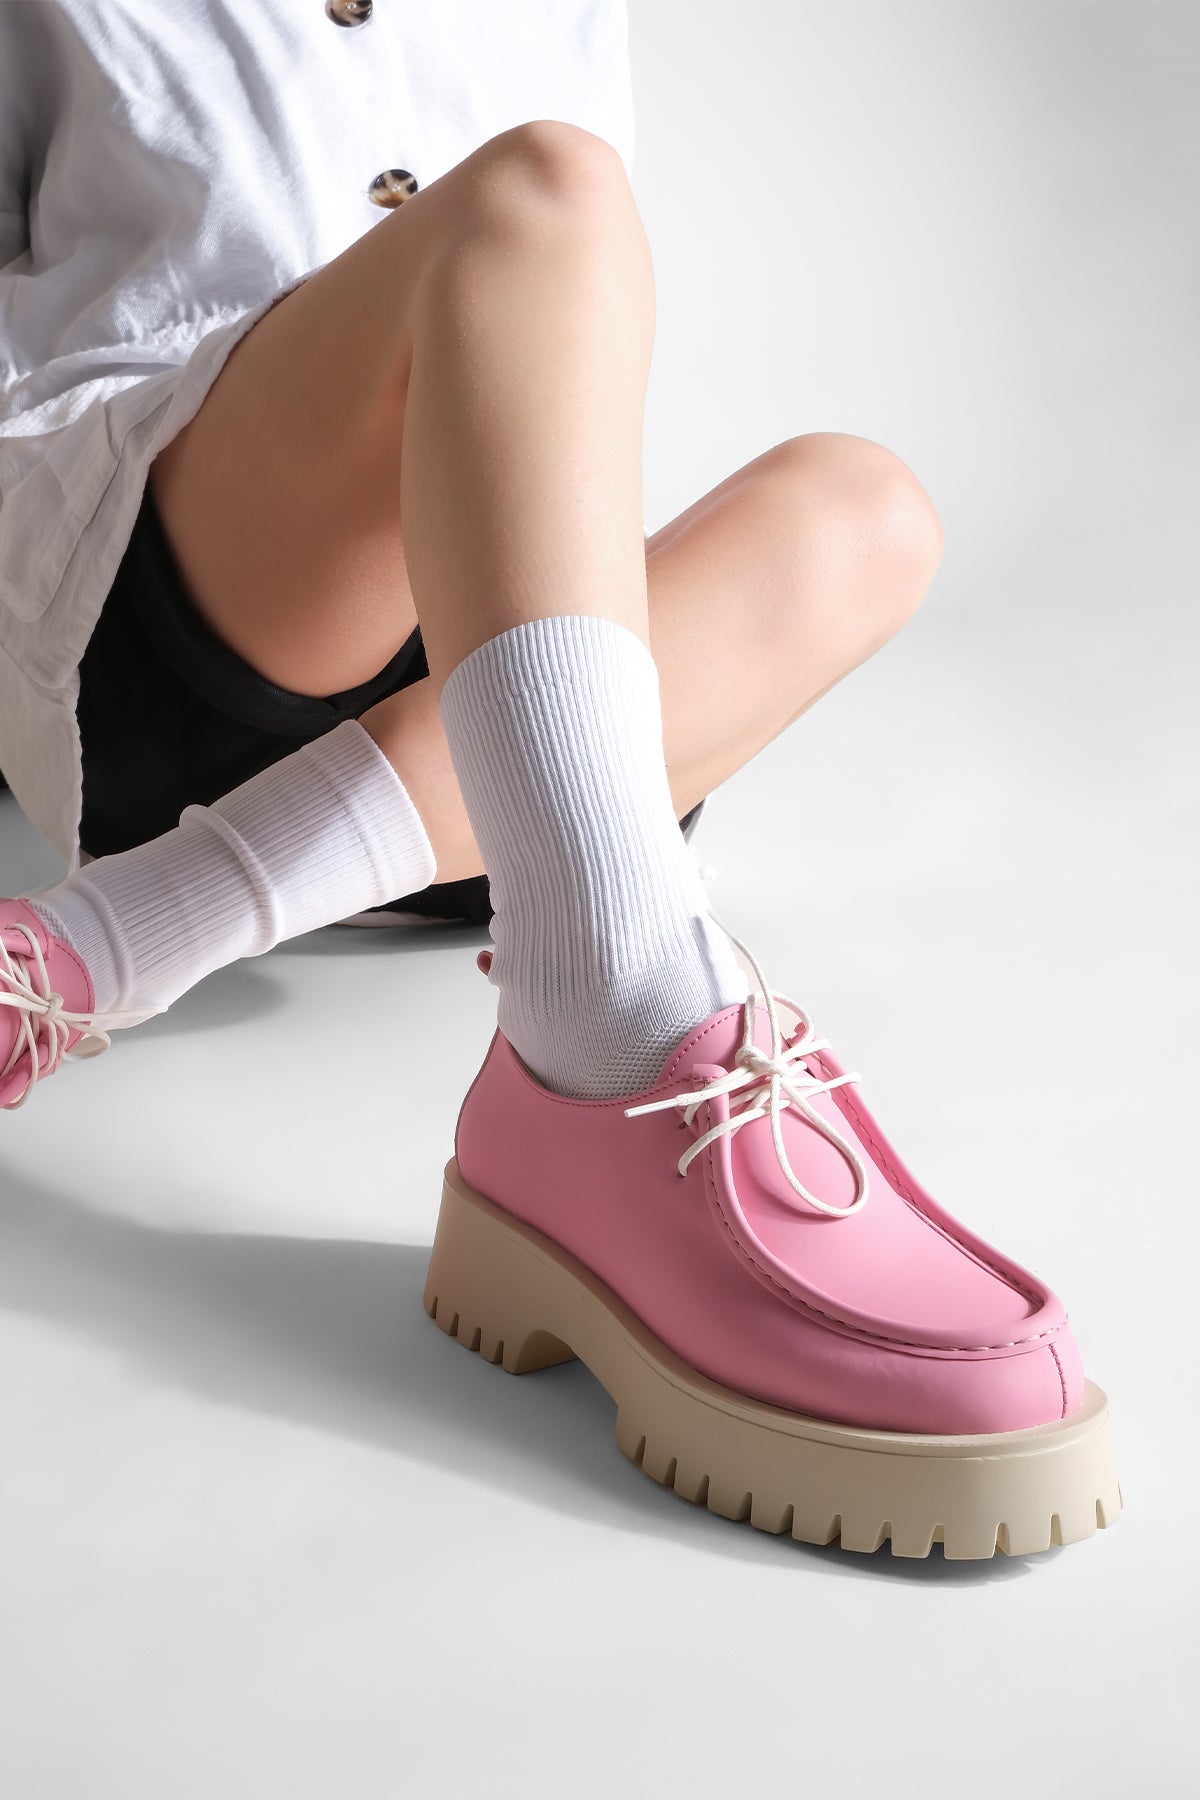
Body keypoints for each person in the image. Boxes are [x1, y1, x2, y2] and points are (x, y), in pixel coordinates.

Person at [0, 1, 1120, 1559]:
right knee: (543, 194)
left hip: (515, 743)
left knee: (872, 511)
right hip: (172, 614)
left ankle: (108, 944)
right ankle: (614, 1020)